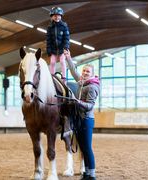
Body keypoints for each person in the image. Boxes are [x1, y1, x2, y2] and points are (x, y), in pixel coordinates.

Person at [64, 49, 99, 180]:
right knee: (83, 148)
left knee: (87, 148)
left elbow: (90, 105)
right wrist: (68, 58)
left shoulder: (92, 87)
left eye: (87, 71)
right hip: (79, 119)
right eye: (84, 70)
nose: (84, 73)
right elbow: (73, 71)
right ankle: (86, 174)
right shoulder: (82, 82)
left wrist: (76, 102)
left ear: (92, 74)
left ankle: (92, 174)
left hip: (87, 119)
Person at [46, 6, 70, 82]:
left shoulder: (64, 26)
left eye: (58, 16)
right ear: (52, 17)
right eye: (55, 16)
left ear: (61, 16)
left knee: (62, 61)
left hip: (62, 48)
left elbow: (66, 37)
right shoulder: (50, 27)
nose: (56, 17)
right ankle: (52, 77)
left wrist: (66, 46)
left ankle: (64, 77)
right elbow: (48, 39)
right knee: (52, 62)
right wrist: (48, 49)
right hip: (53, 49)